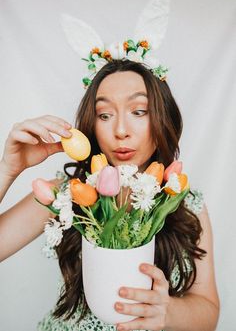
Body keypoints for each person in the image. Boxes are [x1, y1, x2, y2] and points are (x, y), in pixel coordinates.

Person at [0, 58, 219, 331]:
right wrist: (8, 170)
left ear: (163, 118)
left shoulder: (187, 203)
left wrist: (167, 312)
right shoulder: (67, 195)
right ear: (91, 126)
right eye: (105, 115)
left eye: (139, 111)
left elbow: (208, 311)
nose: (121, 131)